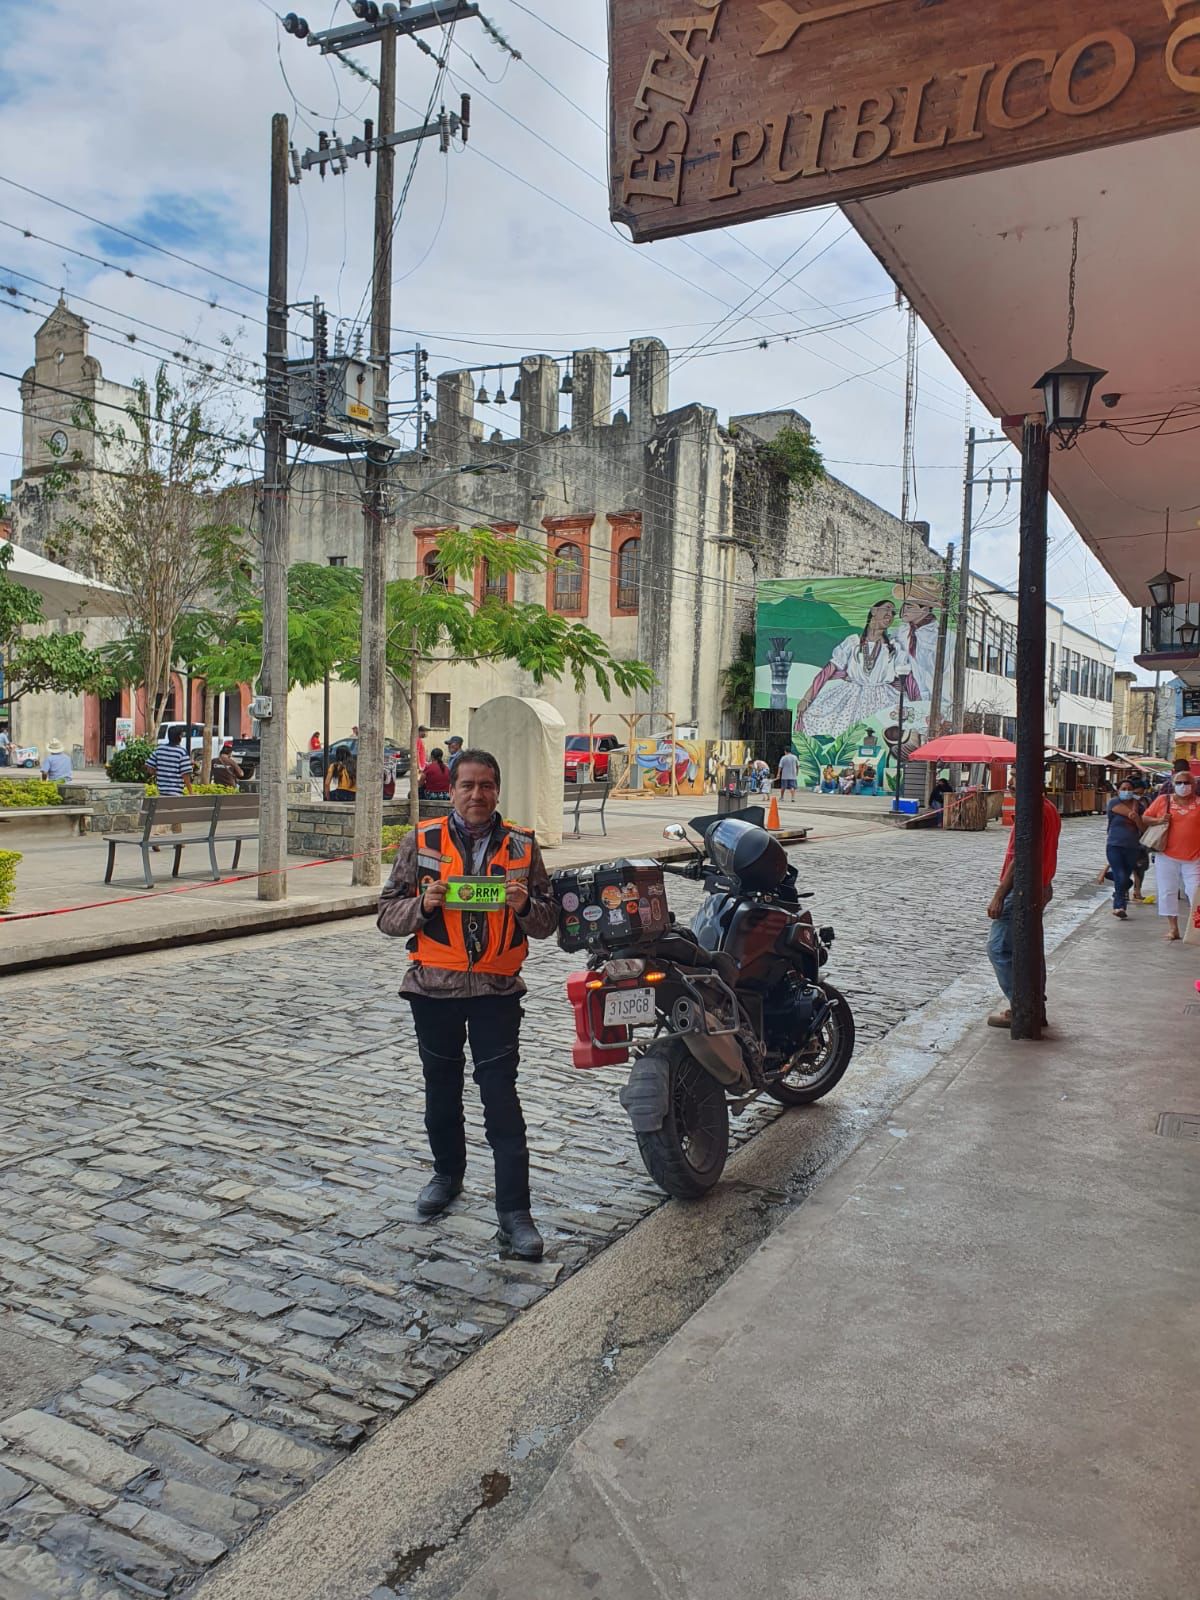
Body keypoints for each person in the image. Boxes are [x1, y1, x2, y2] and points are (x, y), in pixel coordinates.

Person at [377, 749, 558, 1260]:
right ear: (451, 791)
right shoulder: (421, 841)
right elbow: (386, 915)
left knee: (501, 1099)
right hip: (433, 990)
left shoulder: (522, 846)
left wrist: (525, 906)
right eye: (467, 786)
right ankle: (446, 1174)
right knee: (442, 1092)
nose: (477, 795)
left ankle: (514, 1215)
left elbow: (549, 923)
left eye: (486, 785)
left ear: (497, 791)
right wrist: (423, 905)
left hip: (497, 995)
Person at [986, 790, 1061, 1029]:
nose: (1011, 786)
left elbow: (1022, 855)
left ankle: (1023, 1004)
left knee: (999, 948)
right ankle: (1034, 1002)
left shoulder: (1034, 810)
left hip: (1022, 886)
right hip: (1039, 883)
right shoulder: (1048, 808)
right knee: (1029, 946)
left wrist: (999, 894)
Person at [793, 600, 917, 735]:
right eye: (887, 609)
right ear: (873, 611)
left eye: (893, 613)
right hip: (853, 696)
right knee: (833, 725)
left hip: (883, 697)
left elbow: (906, 679)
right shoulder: (852, 643)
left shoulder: (894, 647)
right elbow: (827, 672)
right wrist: (807, 698)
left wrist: (917, 703)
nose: (890, 615)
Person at [1140, 766, 1200, 942]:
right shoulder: (1163, 800)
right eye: (1179, 783)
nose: (1183, 786)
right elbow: (1145, 817)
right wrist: (1159, 820)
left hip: (1194, 856)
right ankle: (1173, 928)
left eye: (1186, 782)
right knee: (1167, 891)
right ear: (1173, 784)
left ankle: (1194, 929)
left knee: (1194, 891)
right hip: (1166, 855)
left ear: (1194, 785)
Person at [1104, 778, 1144, 920]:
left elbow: (1142, 826)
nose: (1126, 791)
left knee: (1123, 876)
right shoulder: (1114, 802)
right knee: (1121, 876)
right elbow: (1127, 813)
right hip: (1114, 845)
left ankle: (1119, 880)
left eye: (1129, 789)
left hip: (1132, 846)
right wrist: (1133, 813)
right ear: (1118, 790)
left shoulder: (1139, 806)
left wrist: (1136, 814)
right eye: (1123, 788)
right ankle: (1119, 906)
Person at [146, 726, 192, 797]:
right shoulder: (181, 752)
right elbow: (185, 774)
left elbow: (149, 768)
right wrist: (191, 792)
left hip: (161, 794)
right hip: (176, 795)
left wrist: (160, 773)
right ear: (180, 737)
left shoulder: (159, 749)